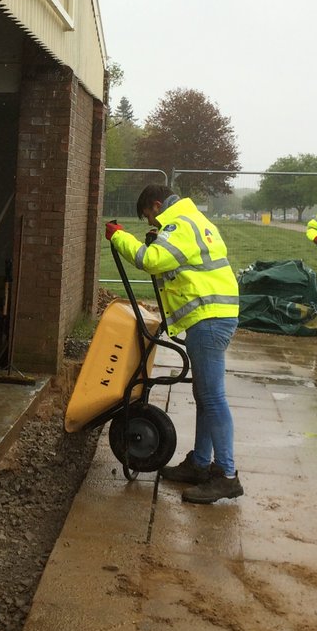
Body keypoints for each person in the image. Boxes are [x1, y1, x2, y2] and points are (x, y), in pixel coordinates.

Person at [105, 184, 242, 504]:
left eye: (150, 218)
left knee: (212, 396)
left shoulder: (179, 224)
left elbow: (150, 260)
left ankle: (227, 475)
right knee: (205, 394)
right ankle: (200, 464)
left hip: (209, 318)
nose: (153, 226)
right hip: (213, 315)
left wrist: (118, 235)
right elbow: (180, 267)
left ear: (157, 204)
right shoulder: (196, 221)